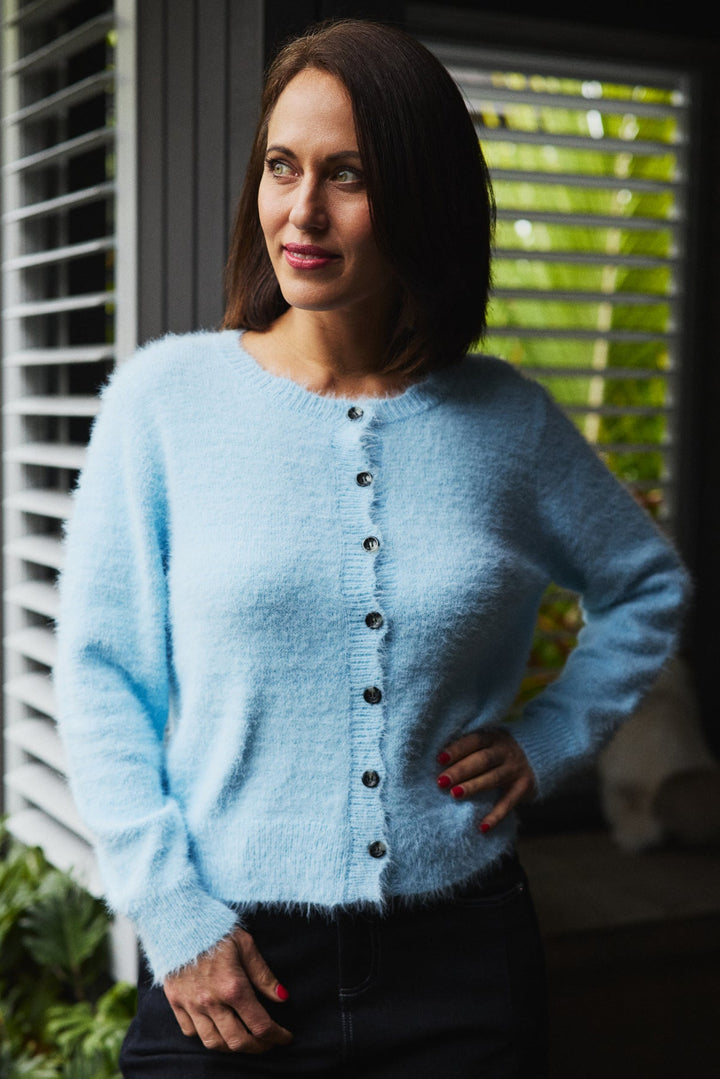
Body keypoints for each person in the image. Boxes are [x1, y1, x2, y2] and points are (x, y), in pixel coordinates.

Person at [55, 18, 690, 1079]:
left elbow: (646, 583)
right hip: (233, 961)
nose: (301, 212)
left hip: (463, 962)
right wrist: (174, 913)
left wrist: (554, 732)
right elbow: (100, 673)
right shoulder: (166, 403)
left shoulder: (508, 424)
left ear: (420, 195)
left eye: (347, 176)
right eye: (281, 166)